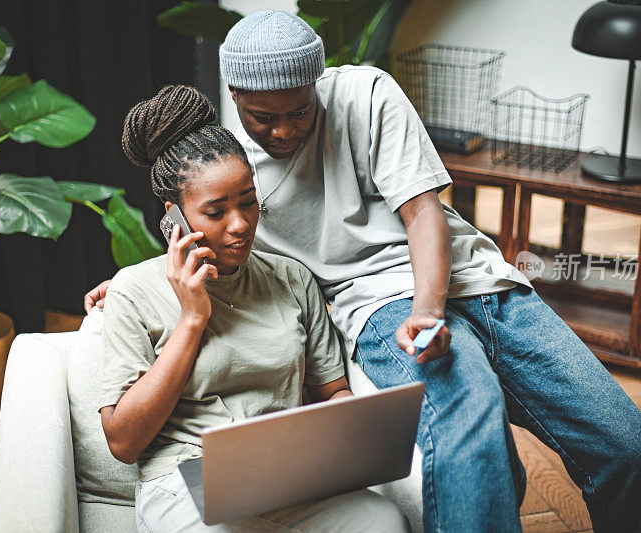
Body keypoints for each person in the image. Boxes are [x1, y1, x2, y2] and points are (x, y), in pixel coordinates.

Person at [88, 10, 641, 532]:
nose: (286, 131)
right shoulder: (229, 158)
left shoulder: (366, 95)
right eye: (266, 118)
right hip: (375, 307)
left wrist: (429, 309)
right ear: (235, 96)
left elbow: (424, 212)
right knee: (469, 429)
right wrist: (137, 282)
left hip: (473, 281)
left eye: (300, 111)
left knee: (632, 446)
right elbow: (195, 216)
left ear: (317, 84)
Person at [98, 85, 410, 532]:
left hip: (284, 476)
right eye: (215, 212)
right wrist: (191, 319)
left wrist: (341, 446)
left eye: (247, 201)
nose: (240, 225)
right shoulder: (133, 291)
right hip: (186, 482)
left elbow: (333, 392)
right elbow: (124, 441)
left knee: (383, 520)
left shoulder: (291, 279)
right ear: (174, 218)